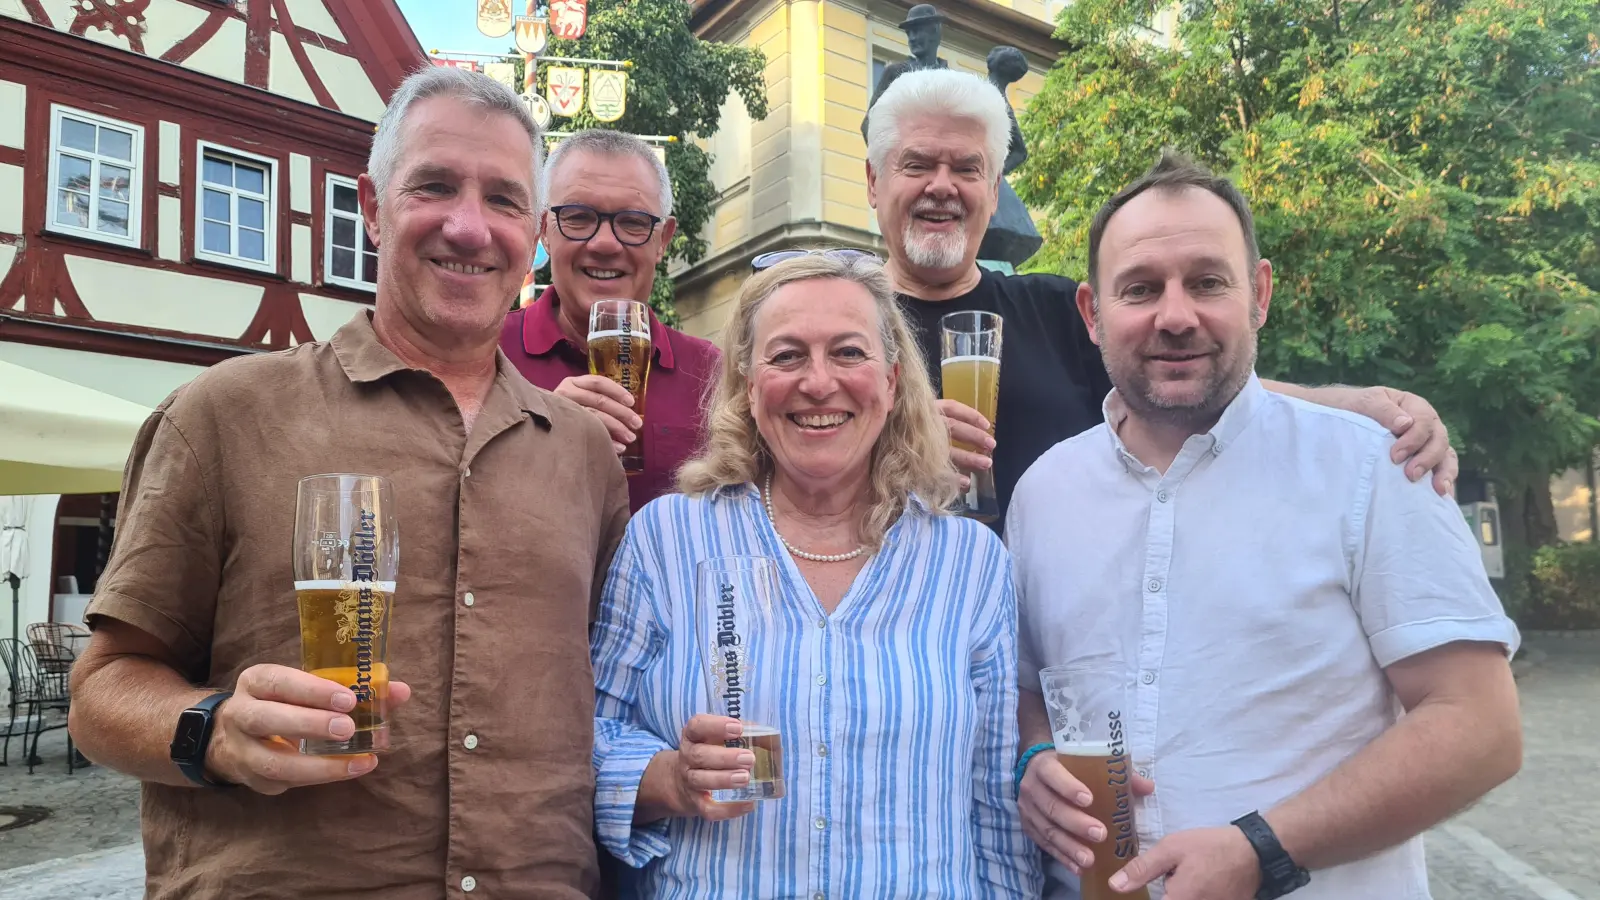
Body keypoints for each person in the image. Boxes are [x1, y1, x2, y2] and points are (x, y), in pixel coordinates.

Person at [67, 67, 630, 898]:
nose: (469, 226)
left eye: (505, 200)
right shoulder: (224, 415)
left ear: (536, 234)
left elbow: (613, 695)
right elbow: (101, 693)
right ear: (371, 206)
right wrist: (213, 731)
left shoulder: (583, 455)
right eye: (434, 186)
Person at [1010, 152, 1522, 900]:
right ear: (1092, 314)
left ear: (1260, 294)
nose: (1175, 316)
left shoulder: (1374, 467)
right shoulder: (1043, 493)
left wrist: (1263, 848)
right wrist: (1034, 757)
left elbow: (1480, 727)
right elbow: (1031, 686)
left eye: (1207, 282)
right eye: (1141, 288)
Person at [588, 252, 1039, 897]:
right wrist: (671, 779)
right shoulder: (667, 539)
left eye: (849, 353)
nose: (819, 383)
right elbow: (588, 741)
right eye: (787, 356)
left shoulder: (970, 562)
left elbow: (995, 808)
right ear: (749, 387)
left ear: (892, 381)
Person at [862, 68, 1460, 535]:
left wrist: (1363, 405)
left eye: (967, 168)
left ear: (993, 192)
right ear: (873, 182)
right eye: (918, 164)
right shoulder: (836, 323)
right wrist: (886, 441)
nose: (942, 185)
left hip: (1054, 626)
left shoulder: (1056, 310)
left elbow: (1198, 385)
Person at [502, 129, 721, 513]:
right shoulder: (485, 355)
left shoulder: (711, 375)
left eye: (633, 222)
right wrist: (535, 441)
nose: (605, 243)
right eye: (578, 217)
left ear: (663, 240)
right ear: (544, 231)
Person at [859, 3, 949, 142]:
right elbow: (868, 124)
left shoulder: (951, 79)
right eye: (909, 33)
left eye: (917, 31)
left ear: (935, 32)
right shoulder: (896, 72)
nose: (912, 38)